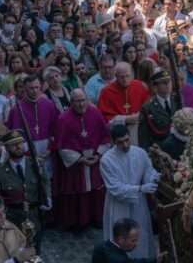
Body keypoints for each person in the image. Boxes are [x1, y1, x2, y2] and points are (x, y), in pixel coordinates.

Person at [100, 123, 159, 260]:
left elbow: (148, 171)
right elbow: (115, 188)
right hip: (118, 204)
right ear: (113, 142)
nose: (125, 145)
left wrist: (153, 178)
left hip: (138, 203)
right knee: (121, 237)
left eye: (127, 140)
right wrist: (139, 188)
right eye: (120, 142)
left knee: (141, 234)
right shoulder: (106, 160)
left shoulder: (140, 153)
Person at [53, 88, 109, 231]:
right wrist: (81, 160)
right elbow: (62, 145)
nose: (81, 104)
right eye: (77, 101)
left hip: (95, 158)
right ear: (71, 102)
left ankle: (97, 218)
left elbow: (105, 135)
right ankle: (79, 222)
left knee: (97, 190)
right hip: (76, 162)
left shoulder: (95, 113)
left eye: (83, 100)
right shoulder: (63, 119)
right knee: (77, 191)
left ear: (87, 100)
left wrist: (98, 154)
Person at [0, 129, 49, 249]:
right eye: (13, 144)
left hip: (34, 215)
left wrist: (47, 198)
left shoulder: (35, 164)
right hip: (14, 218)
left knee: (35, 248)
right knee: (17, 250)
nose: (18, 146)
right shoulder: (0, 172)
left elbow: (45, 182)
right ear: (7, 148)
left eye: (20, 143)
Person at [97, 62, 150, 141]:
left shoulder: (140, 86)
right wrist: (124, 119)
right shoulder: (106, 92)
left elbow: (148, 107)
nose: (125, 80)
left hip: (139, 128)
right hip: (117, 132)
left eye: (127, 76)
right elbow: (103, 117)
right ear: (116, 76)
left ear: (132, 74)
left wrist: (140, 115)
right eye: (122, 77)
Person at [137, 68, 179, 149]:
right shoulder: (148, 107)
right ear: (155, 86)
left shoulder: (177, 101)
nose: (167, 84)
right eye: (163, 82)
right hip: (159, 150)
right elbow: (143, 137)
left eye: (169, 81)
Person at [91, 217, 156, 263]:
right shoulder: (119, 260)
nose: (136, 244)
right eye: (133, 240)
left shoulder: (99, 247)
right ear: (121, 240)